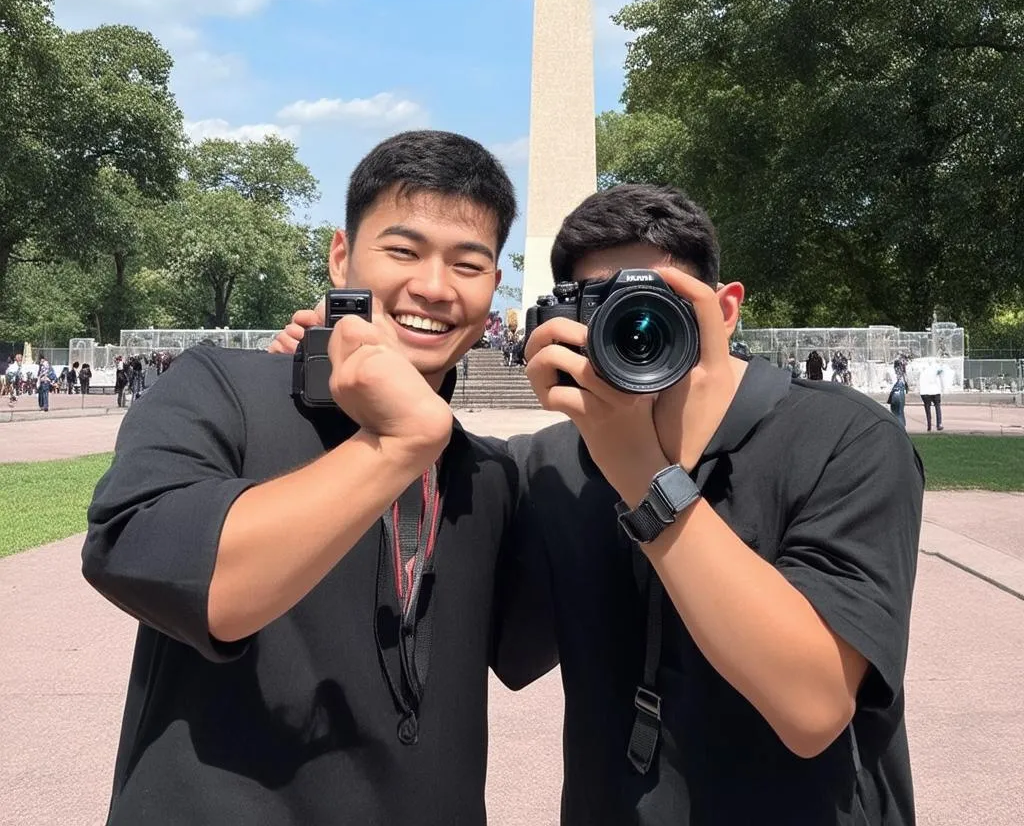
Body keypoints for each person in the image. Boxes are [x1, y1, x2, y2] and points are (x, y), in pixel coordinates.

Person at [81, 131, 555, 825]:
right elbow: (197, 585)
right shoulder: (221, 389)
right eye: (402, 250)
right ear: (342, 256)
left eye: (469, 263)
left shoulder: (489, 475)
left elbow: (533, 646)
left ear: (493, 290)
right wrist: (395, 447)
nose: (433, 286)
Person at [513, 184, 924, 825]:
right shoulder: (550, 465)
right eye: (605, 305)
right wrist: (317, 391)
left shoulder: (849, 440)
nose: (635, 326)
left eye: (659, 302)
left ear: (726, 309)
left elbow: (812, 707)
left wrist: (646, 477)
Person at [917, 362, 947, 432]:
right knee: (937, 407)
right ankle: (939, 424)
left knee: (927, 408)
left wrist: (919, 390)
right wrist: (943, 388)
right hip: (935, 390)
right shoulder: (936, 368)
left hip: (925, 391)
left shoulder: (923, 369)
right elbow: (942, 374)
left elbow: (920, 381)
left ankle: (929, 425)